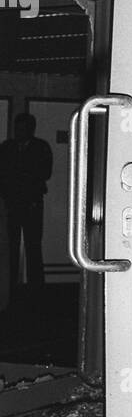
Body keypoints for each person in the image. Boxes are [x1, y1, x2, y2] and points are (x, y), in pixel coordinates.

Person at [0, 112, 52, 293]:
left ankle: (36, 288)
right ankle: (10, 285)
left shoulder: (41, 147)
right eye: (17, 128)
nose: (19, 132)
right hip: (12, 203)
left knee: (33, 245)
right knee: (10, 245)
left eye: (23, 129)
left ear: (31, 129)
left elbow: (46, 172)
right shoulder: (7, 147)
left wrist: (23, 176)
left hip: (32, 204)